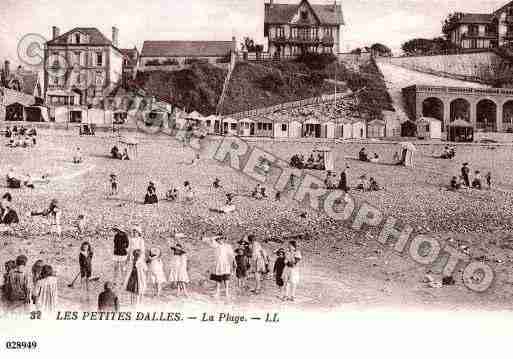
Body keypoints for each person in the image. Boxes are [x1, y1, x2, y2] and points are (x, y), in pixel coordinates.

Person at [202, 233, 235, 299]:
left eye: (221, 239)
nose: (220, 240)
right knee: (218, 279)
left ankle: (227, 292)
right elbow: (210, 239)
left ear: (224, 239)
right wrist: (217, 236)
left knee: (226, 279)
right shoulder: (215, 245)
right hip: (218, 264)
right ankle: (217, 292)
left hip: (225, 264)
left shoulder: (227, 246)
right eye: (218, 239)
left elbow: (232, 255)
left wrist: (234, 262)